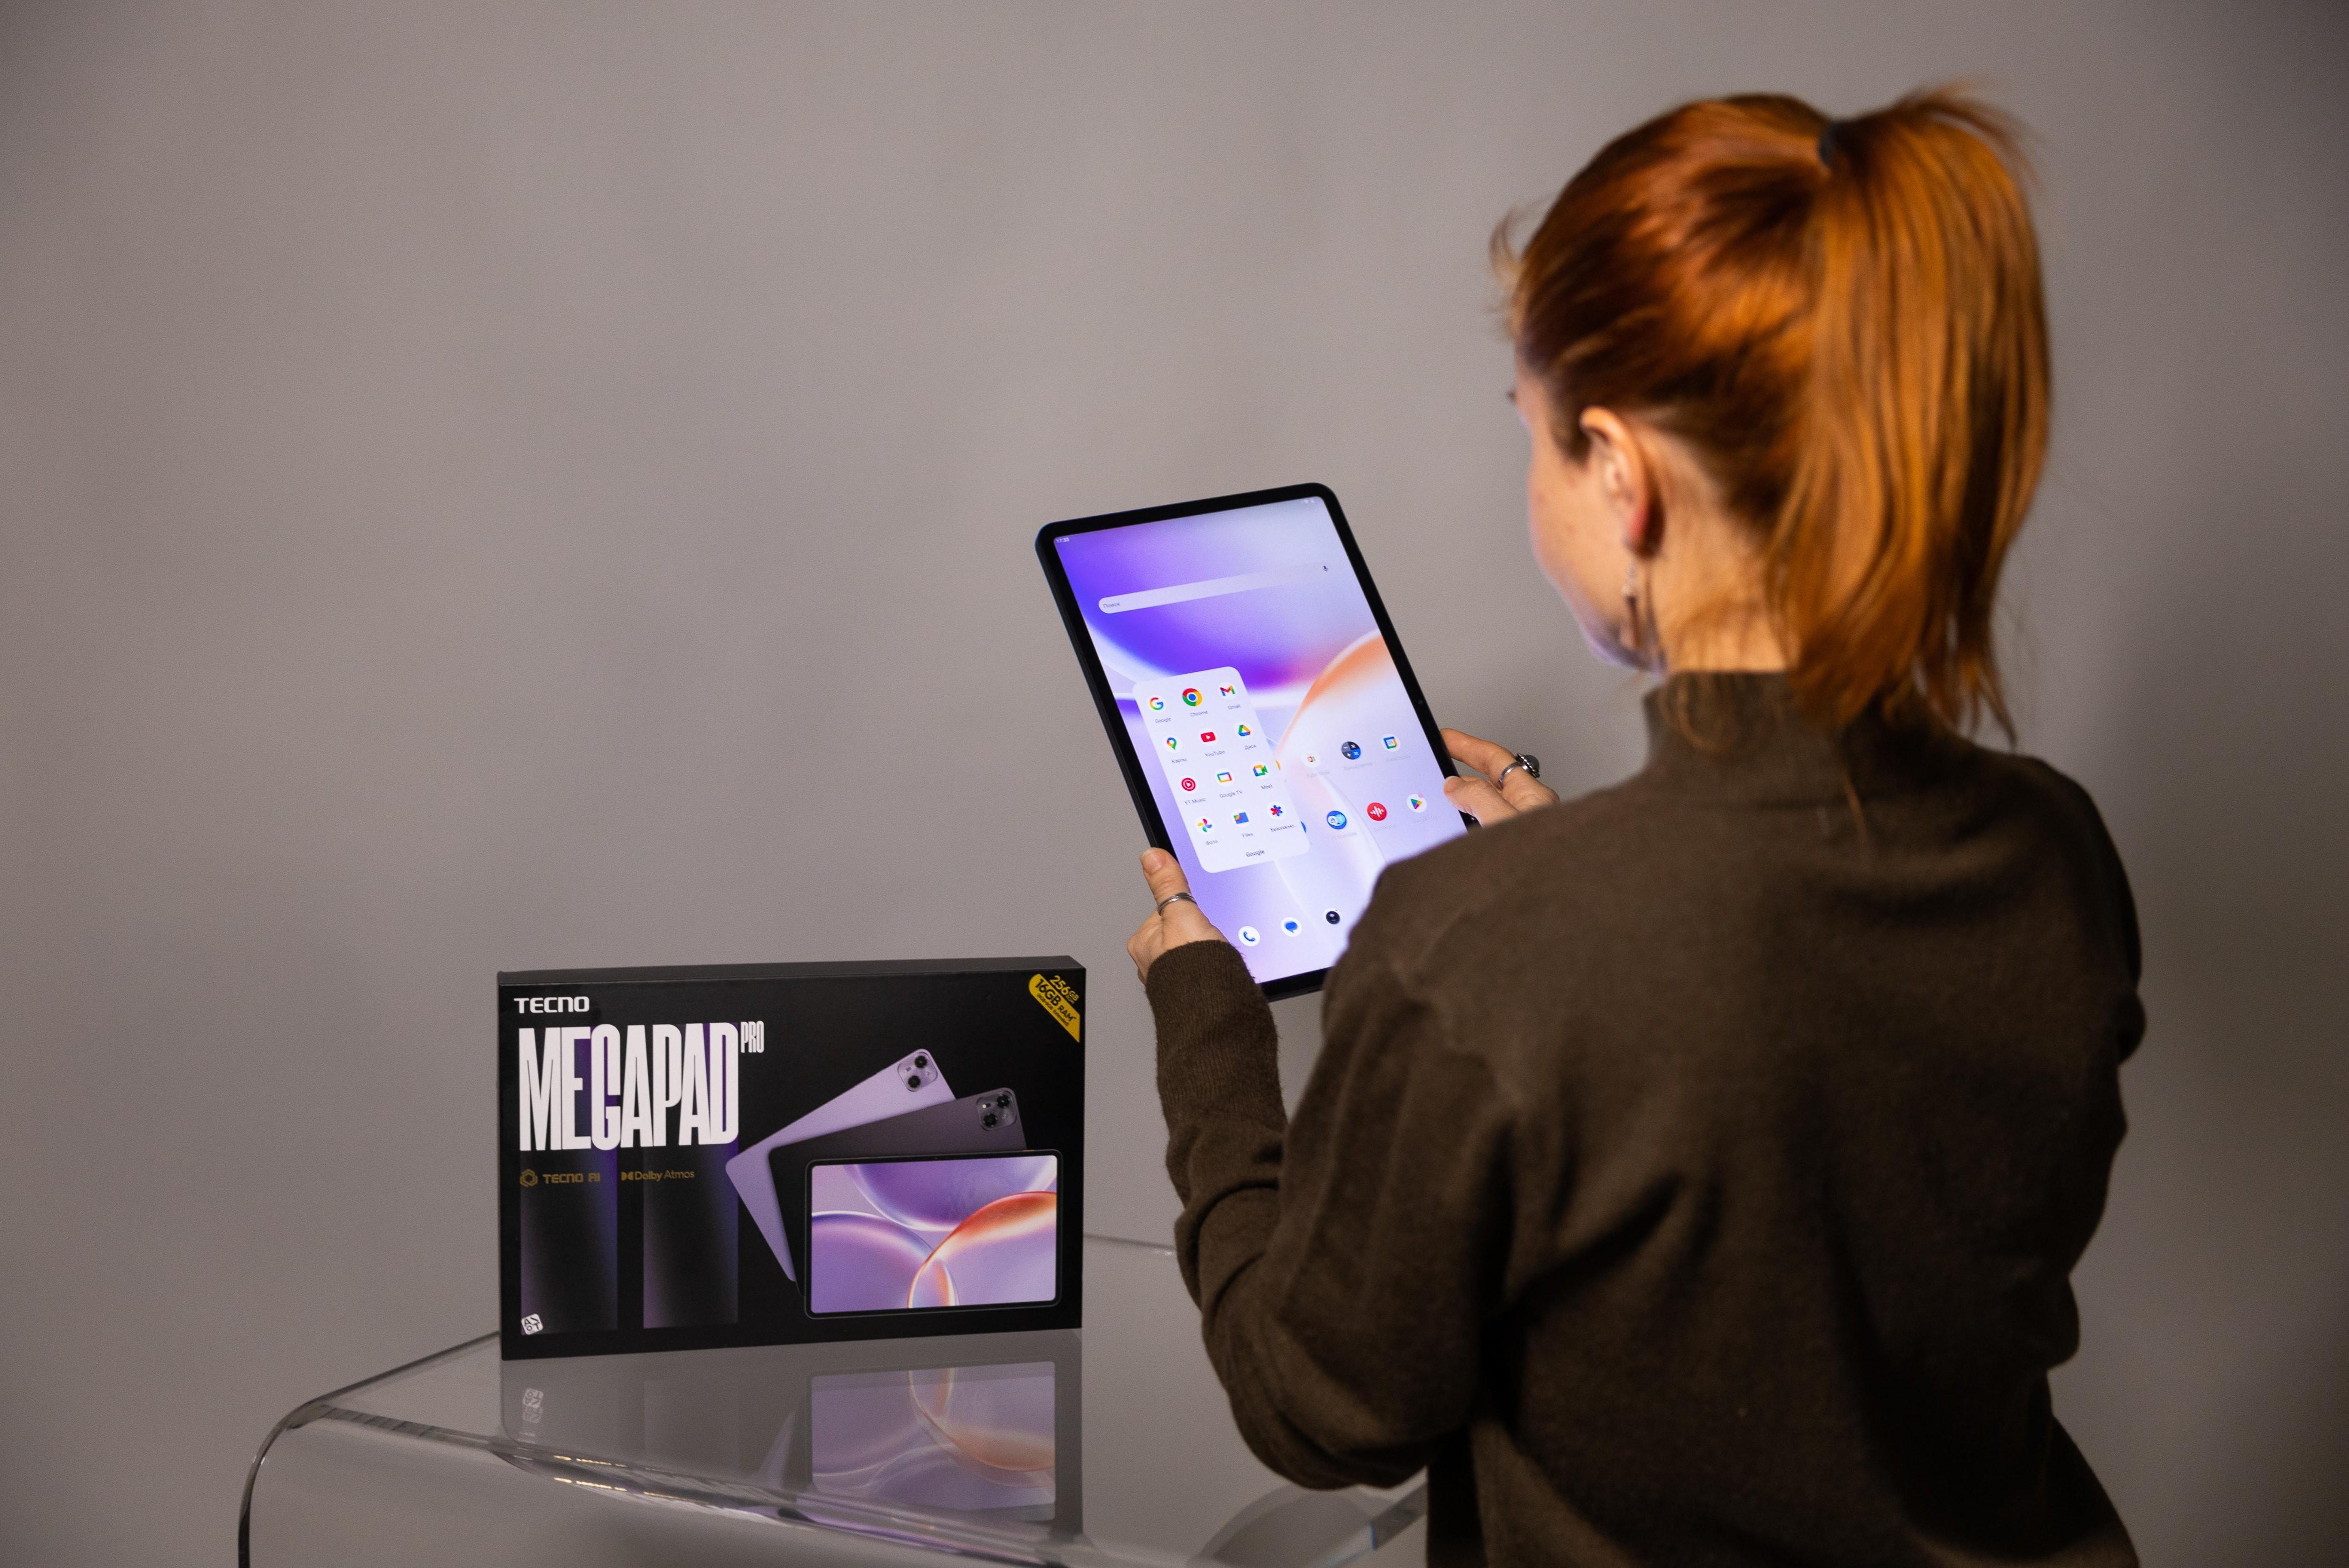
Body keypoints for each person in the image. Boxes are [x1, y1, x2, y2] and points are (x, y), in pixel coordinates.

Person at [1123, 89, 2142, 1567]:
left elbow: (1318, 1405)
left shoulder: (1484, 948)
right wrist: (1561, 874)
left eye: (1534, 439)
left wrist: (1207, 1023)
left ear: (1622, 472)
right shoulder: (2058, 857)